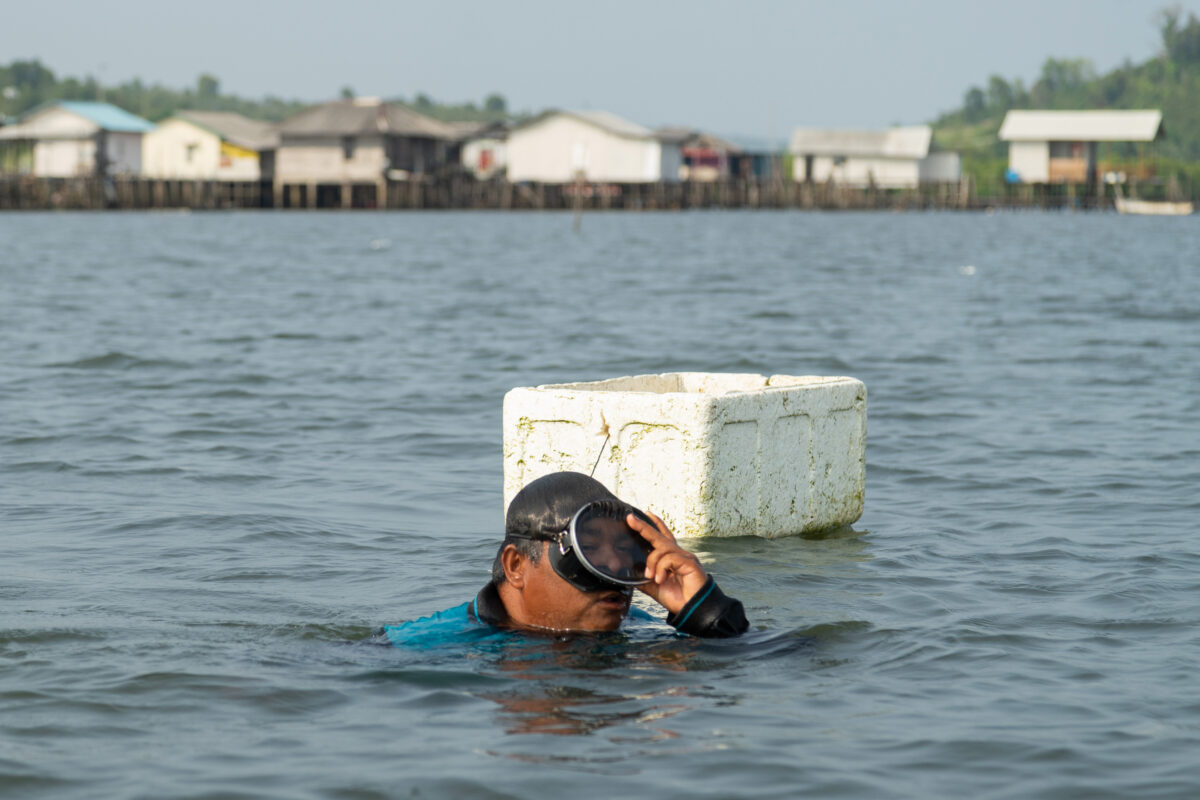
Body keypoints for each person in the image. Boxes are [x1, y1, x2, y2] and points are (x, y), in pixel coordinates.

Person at [381, 471, 748, 646]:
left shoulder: (641, 627)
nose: (615, 572)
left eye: (628, 551)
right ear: (516, 566)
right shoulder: (422, 645)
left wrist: (702, 611)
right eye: (588, 549)